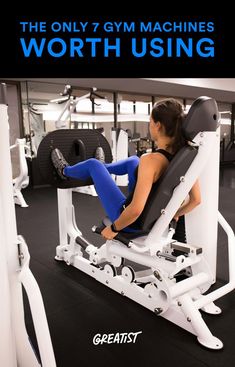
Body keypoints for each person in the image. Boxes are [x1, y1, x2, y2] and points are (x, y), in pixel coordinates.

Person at [51, 98, 201, 241]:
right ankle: (104, 167)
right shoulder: (185, 159)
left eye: (150, 122)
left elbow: (135, 209)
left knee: (92, 164)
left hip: (129, 221)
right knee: (133, 161)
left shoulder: (151, 160)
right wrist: (173, 214)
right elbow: (196, 200)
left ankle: (64, 171)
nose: (149, 125)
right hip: (152, 218)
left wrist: (114, 228)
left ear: (158, 125)